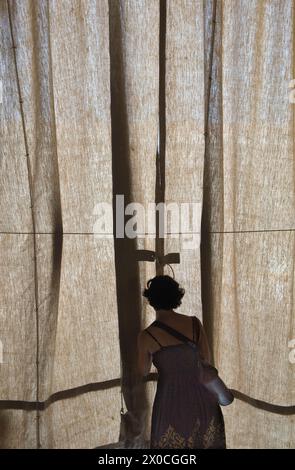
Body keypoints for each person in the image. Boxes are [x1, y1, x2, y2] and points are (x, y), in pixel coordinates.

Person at [137, 274, 234, 449]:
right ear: (176, 297)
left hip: (170, 401)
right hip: (202, 397)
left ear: (151, 300)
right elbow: (206, 359)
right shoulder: (194, 324)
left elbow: (143, 370)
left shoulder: (146, 336)